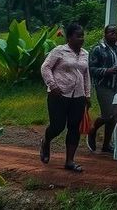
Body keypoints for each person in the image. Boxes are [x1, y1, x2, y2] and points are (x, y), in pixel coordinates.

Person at [39, 22, 90, 172]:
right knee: (58, 126)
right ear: (69, 38)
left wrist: (87, 95)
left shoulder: (85, 54)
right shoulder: (59, 51)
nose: (81, 39)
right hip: (59, 94)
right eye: (78, 36)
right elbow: (45, 67)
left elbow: (86, 74)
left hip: (78, 96)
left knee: (74, 127)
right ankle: (46, 140)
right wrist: (52, 85)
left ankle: (70, 161)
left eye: (82, 36)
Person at [87, 24, 117, 153]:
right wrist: (106, 71)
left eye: (116, 32)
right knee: (108, 114)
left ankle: (106, 145)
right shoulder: (98, 49)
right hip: (104, 86)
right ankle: (92, 130)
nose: (114, 35)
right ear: (105, 34)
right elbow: (91, 69)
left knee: (114, 117)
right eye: (111, 32)